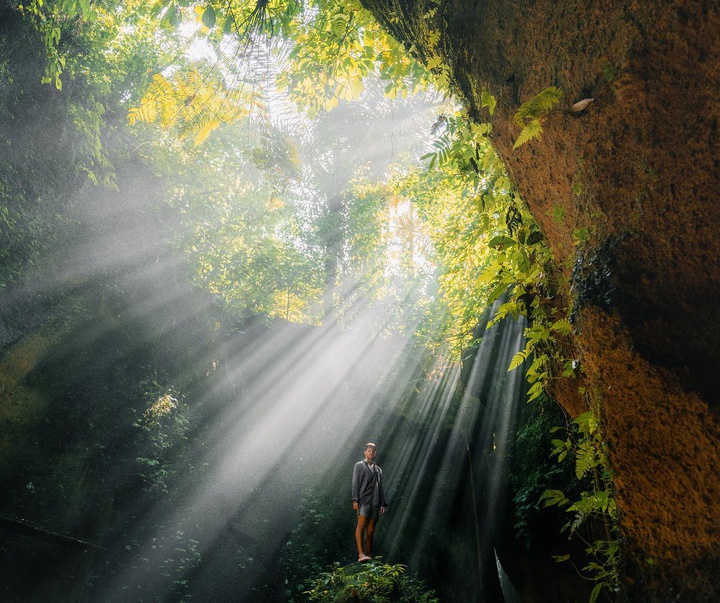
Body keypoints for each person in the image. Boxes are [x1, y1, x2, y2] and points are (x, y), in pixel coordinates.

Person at [351, 442, 388, 562]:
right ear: (365, 452)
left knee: (371, 530)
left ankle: (369, 555)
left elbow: (380, 486)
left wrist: (382, 503)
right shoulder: (359, 465)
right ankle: (361, 554)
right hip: (363, 500)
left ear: (375, 453)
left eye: (373, 451)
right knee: (361, 526)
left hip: (376, 502)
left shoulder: (378, 470)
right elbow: (355, 482)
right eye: (368, 451)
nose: (370, 453)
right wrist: (355, 499)